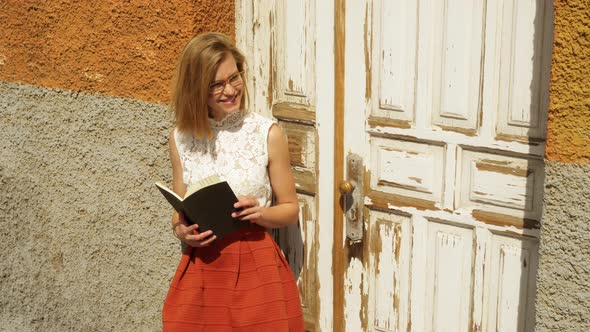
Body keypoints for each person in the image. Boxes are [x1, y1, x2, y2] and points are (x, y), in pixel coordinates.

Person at [162, 32, 305, 331]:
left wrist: (261, 213)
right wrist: (181, 230)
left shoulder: (266, 133)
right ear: (196, 89)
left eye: (234, 78)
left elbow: (290, 209)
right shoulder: (180, 138)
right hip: (202, 267)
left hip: (255, 263)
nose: (230, 90)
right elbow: (180, 210)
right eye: (216, 84)